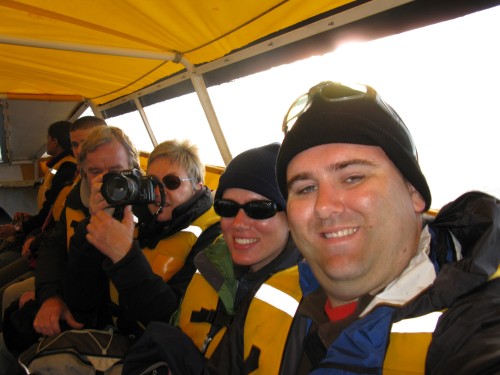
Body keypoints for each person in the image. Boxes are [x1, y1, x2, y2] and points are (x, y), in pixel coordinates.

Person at [274, 81, 500, 374]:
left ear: (414, 193)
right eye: (306, 188)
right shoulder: (273, 295)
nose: (324, 206)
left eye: (353, 177)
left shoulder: (476, 326)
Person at [122, 143, 303, 374]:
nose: (238, 223)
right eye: (227, 207)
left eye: (259, 208)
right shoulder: (209, 262)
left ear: (291, 216)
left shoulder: (313, 300)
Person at [62, 139, 221, 333]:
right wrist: (94, 225)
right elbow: (80, 299)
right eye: (152, 182)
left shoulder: (213, 237)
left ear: (198, 186)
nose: (158, 192)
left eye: (172, 182)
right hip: (108, 331)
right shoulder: (132, 218)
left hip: (151, 352)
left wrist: (125, 258)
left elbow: (173, 320)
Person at [0, 116, 107, 318]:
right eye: (75, 144)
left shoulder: (112, 194)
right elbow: (57, 232)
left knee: (9, 295)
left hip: (79, 286)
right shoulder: (77, 184)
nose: (79, 150)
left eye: (85, 143)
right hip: (49, 253)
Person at [0, 120, 77, 265]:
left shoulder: (67, 168)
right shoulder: (58, 165)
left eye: (48, 138)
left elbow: (50, 215)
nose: (46, 142)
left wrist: (18, 228)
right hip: (40, 228)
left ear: (55, 141)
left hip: (44, 237)